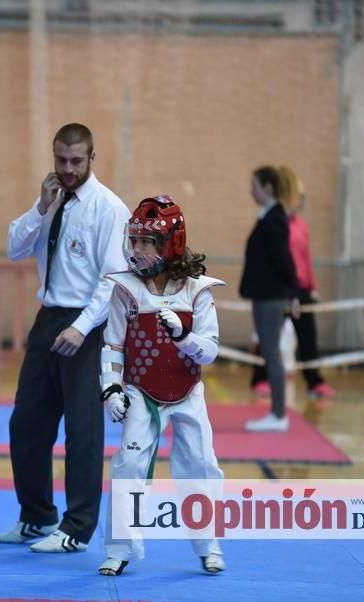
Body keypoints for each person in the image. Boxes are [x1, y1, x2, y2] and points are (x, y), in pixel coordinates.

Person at [0, 123, 131, 552]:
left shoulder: (109, 209)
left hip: (88, 327)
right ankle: (37, 516)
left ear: (92, 158)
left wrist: (81, 326)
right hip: (48, 318)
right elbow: (15, 248)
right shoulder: (52, 200)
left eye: (76, 161)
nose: (68, 168)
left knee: (83, 431)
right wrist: (40, 206)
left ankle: (76, 528)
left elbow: (113, 278)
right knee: (27, 424)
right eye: (61, 160)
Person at [97, 195, 226, 577]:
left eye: (146, 242)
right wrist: (112, 388)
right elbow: (113, 345)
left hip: (188, 394)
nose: (136, 249)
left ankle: (208, 545)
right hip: (140, 391)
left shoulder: (198, 292)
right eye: (133, 240)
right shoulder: (125, 290)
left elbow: (210, 351)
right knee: (129, 466)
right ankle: (120, 549)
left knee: (200, 466)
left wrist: (184, 337)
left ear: (171, 244)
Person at [249, 167, 335, 400]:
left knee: (308, 337)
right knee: (268, 338)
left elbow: (305, 258)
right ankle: (260, 378)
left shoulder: (300, 226)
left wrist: (311, 286)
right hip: (282, 289)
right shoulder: (277, 221)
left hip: (300, 289)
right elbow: (280, 260)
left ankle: (314, 381)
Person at [240, 166, 300, 432]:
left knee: (272, 353)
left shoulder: (274, 218)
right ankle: (277, 413)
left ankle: (278, 414)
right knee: (270, 352)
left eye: (254, 185)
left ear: (267, 187)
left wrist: (293, 292)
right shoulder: (268, 216)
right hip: (265, 294)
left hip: (271, 296)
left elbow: (284, 260)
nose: (251, 191)